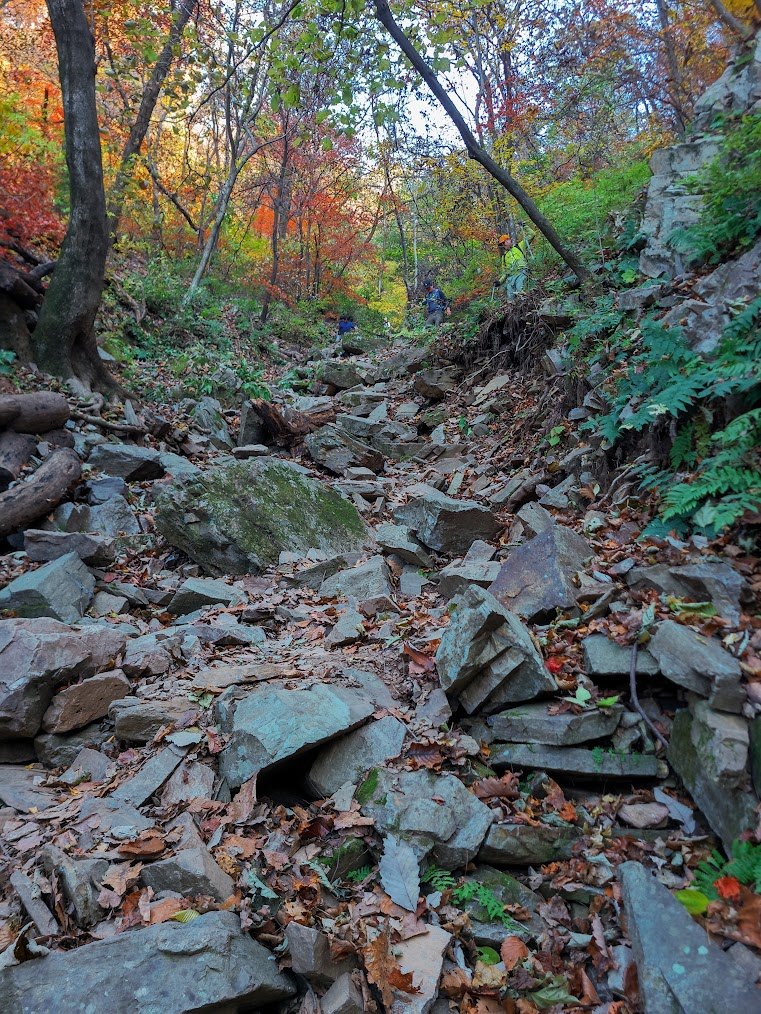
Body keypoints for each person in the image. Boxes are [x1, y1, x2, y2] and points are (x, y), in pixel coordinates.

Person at [497, 233, 529, 298]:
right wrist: (499, 281)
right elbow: (505, 273)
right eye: (502, 244)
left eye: (504, 242)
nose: (504, 245)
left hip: (521, 272)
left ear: (510, 240)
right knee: (510, 297)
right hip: (511, 278)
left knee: (520, 291)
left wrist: (524, 226)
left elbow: (532, 235)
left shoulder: (519, 246)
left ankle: (525, 304)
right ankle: (513, 306)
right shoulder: (504, 257)